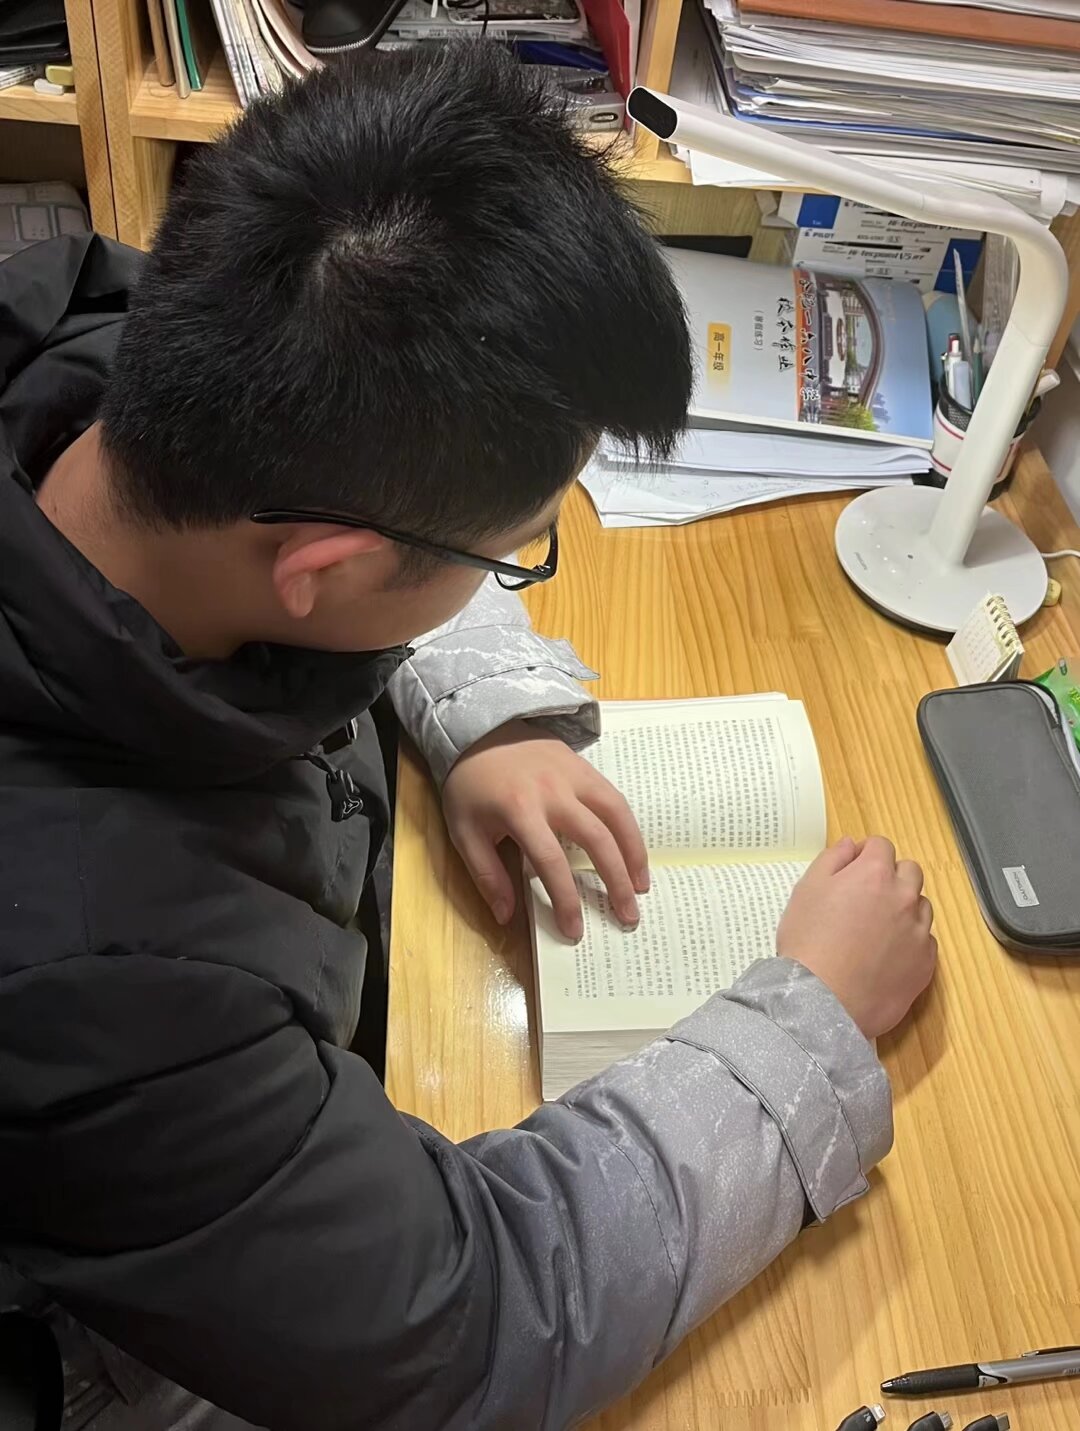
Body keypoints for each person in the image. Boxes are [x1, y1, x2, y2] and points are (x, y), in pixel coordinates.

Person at [0, 42, 937, 1431]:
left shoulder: (116, 331)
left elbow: (348, 509)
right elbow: (468, 1322)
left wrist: (486, 712)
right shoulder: (99, 988)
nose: (512, 573)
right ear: (322, 575)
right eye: (517, 549)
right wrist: (810, 1025)